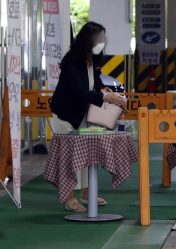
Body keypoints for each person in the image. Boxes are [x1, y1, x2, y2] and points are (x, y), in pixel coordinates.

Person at [50, 21, 128, 212]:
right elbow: (78, 91)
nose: (102, 41)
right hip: (66, 115)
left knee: (85, 154)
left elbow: (96, 82)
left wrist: (104, 90)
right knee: (69, 159)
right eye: (98, 38)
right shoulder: (72, 61)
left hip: (83, 113)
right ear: (88, 39)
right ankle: (70, 199)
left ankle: (86, 192)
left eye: (103, 37)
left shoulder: (92, 59)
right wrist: (105, 96)